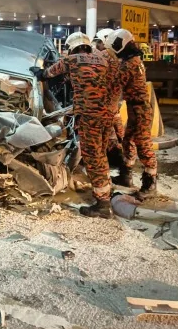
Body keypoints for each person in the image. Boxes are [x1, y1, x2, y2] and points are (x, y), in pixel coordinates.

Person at [32, 32, 119, 218]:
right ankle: (106, 190)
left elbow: (48, 73)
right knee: (101, 154)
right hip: (107, 116)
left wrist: (39, 72)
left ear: (71, 46)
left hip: (90, 116)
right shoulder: (104, 60)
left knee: (93, 157)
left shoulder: (71, 60)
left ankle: (102, 204)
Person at [104, 28, 158, 200]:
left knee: (143, 144)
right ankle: (126, 176)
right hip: (135, 107)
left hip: (139, 108)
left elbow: (113, 86)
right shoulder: (135, 60)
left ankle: (150, 184)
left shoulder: (128, 65)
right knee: (128, 140)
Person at [93, 28, 126, 158]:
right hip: (115, 99)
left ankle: (113, 153)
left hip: (105, 100)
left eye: (99, 43)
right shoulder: (121, 57)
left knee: (107, 130)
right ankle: (125, 156)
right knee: (117, 125)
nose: (97, 45)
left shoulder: (105, 55)